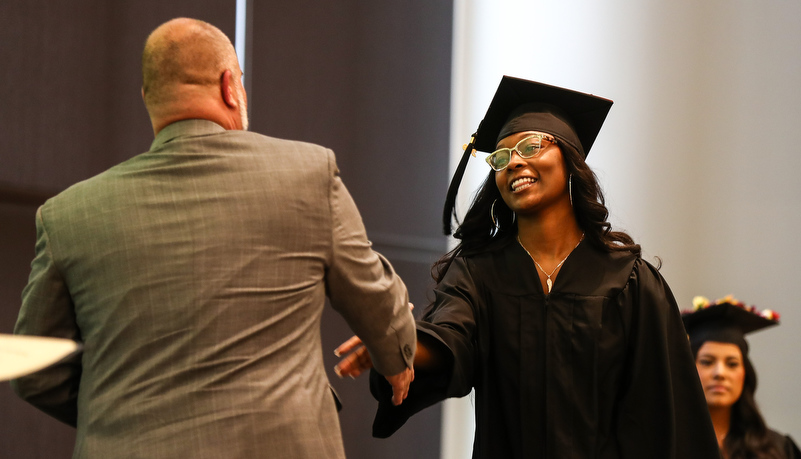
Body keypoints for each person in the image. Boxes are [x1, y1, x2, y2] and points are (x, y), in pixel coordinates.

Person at [11, 17, 415, 459]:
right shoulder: (306, 173)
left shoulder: (69, 214)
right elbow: (377, 302)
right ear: (229, 86)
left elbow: (37, 371)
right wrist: (397, 359)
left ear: (149, 99)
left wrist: (114, 416)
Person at [335, 76, 720, 458]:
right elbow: (450, 338)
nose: (514, 162)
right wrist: (399, 341)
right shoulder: (478, 273)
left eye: (530, 145)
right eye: (500, 157)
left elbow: (666, 410)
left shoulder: (629, 280)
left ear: (569, 158)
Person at [683, 295, 801, 459]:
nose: (720, 373)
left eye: (732, 364)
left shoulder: (778, 448)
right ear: (688, 371)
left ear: (745, 373)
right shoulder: (667, 444)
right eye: (707, 362)